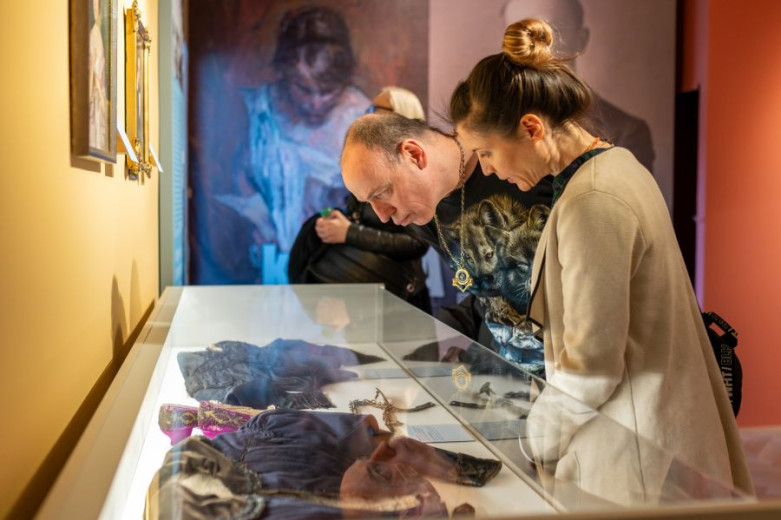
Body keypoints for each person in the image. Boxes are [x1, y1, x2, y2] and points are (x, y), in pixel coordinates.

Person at [448, 17, 753, 502]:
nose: (488, 170)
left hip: (635, 456)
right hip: (647, 436)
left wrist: (532, 442)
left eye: (486, 153)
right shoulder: (615, 168)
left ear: (531, 127)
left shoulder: (591, 199)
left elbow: (591, 369)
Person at [341, 111, 553, 375]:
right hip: (507, 377)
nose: (383, 215)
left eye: (383, 193)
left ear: (414, 155)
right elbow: (491, 296)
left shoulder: (509, 162)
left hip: (575, 375)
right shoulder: (424, 214)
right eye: (370, 203)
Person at [215, 6, 370, 282]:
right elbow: (236, 181)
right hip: (269, 262)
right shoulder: (258, 111)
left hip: (336, 265)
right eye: (303, 88)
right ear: (284, 74)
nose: (315, 102)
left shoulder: (361, 116)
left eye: (327, 91)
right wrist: (257, 221)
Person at [310, 86, 432, 312]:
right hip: (363, 290)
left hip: (400, 298)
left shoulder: (416, 174)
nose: (367, 115)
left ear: (400, 116)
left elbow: (416, 243)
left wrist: (349, 233)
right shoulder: (370, 164)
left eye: (375, 109)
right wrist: (340, 223)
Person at [502, 0, 655, 172]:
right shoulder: (489, 124)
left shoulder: (624, 132)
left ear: (581, 39)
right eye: (521, 34)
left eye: (554, 30)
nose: (535, 45)